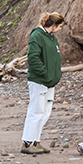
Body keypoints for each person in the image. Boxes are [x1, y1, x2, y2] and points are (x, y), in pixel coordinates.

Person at [21, 12, 65, 154]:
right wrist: (45, 74)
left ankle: (36, 141)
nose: (60, 29)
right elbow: (33, 58)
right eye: (60, 26)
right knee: (36, 111)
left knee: (45, 112)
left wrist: (53, 76)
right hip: (39, 81)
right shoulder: (37, 36)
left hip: (49, 82)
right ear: (53, 25)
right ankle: (27, 143)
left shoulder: (51, 38)